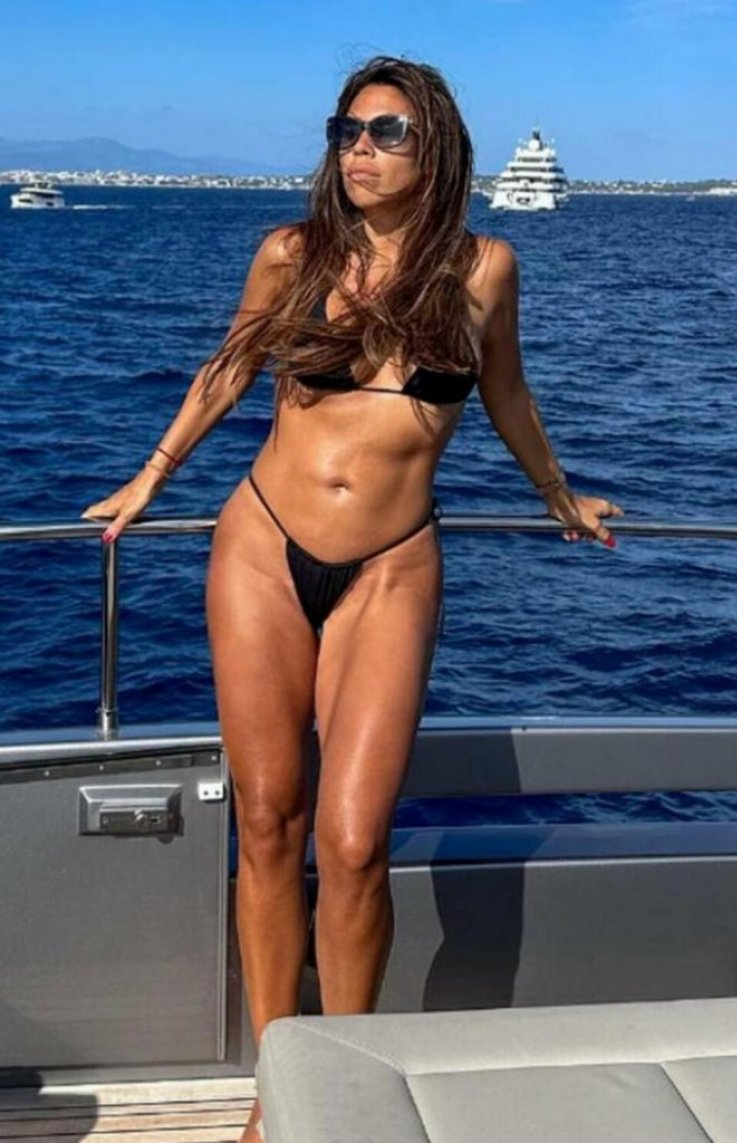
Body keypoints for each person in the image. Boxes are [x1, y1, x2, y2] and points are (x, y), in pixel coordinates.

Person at [81, 55, 623, 1142]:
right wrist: (151, 478)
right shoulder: (293, 253)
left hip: (392, 566)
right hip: (259, 549)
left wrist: (558, 494)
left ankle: (341, 1082)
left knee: (356, 841)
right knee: (268, 822)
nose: (359, 150)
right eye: (347, 131)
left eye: (386, 132)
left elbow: (506, 392)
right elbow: (228, 368)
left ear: (437, 150)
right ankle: (276, 1091)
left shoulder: (484, 268)